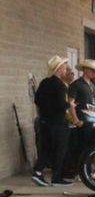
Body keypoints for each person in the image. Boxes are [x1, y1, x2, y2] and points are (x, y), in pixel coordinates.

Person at [32, 56, 75, 187]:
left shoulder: (44, 82)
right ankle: (56, 178)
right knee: (59, 149)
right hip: (57, 122)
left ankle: (38, 172)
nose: (65, 70)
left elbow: (37, 100)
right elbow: (61, 105)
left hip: (44, 120)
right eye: (64, 68)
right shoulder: (60, 86)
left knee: (45, 148)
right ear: (59, 69)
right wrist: (70, 104)